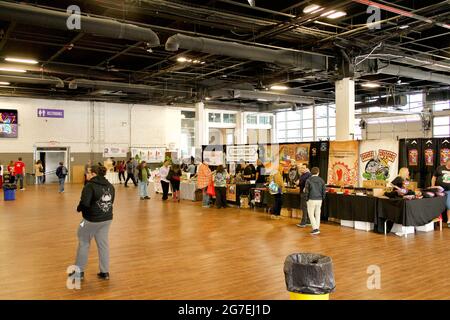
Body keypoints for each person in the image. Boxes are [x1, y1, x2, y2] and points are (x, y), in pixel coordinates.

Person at [72, 165, 115, 281]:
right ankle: (104, 272)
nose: (86, 174)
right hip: (106, 220)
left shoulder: (89, 186)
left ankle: (78, 273)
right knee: (103, 245)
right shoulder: (110, 186)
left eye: (88, 172)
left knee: (83, 242)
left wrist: (78, 208)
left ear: (94, 174)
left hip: (90, 221)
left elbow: (84, 203)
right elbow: (111, 202)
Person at [304, 167, 326, 235]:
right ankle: (317, 228)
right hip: (319, 199)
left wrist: (306, 199)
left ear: (311, 172)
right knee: (317, 214)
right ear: (318, 172)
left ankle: (315, 229)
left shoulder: (308, 180)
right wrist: (322, 198)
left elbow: (306, 191)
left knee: (311, 214)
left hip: (311, 199)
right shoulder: (322, 180)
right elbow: (324, 191)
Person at [432, 159, 450, 227]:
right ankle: (437, 221)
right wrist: (433, 186)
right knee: (438, 205)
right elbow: (434, 178)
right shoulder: (440, 168)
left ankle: (449, 221)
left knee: (449, 205)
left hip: (449, 191)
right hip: (439, 190)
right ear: (447, 162)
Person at [296, 164, 312, 228]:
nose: (301, 169)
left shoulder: (308, 175)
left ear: (307, 168)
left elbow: (306, 183)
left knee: (304, 208)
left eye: (303, 168)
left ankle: (303, 223)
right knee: (305, 207)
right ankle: (308, 221)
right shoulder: (303, 174)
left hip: (305, 194)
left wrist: (299, 182)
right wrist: (298, 183)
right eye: (301, 168)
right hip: (302, 193)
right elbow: (300, 183)